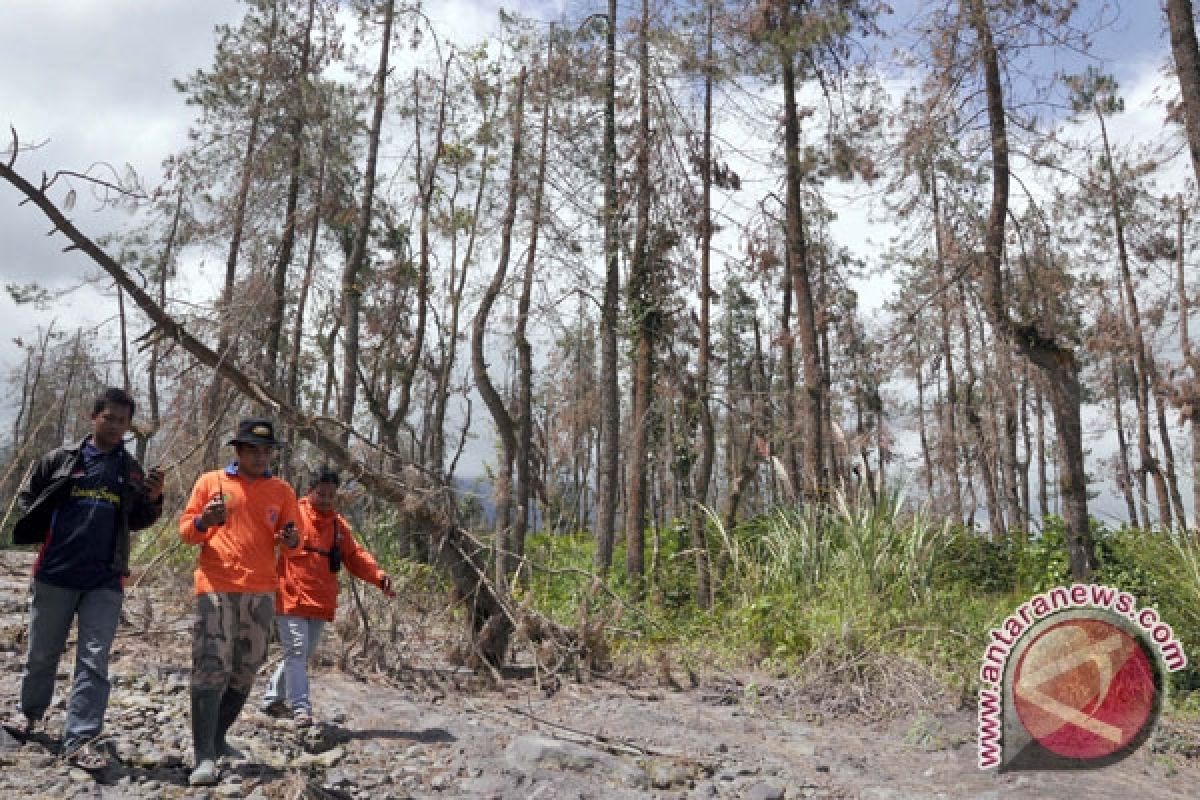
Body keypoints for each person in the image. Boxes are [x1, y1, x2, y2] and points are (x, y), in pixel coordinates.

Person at [3, 387, 164, 772]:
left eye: (122, 421)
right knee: (42, 652)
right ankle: (30, 716)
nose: (114, 426)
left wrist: (154, 499)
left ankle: (81, 737)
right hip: (55, 573)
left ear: (128, 427)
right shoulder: (58, 460)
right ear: (93, 417)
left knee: (94, 660)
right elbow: (29, 500)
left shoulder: (130, 470)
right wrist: (47, 529)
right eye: (108, 417)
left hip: (104, 579)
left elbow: (138, 520)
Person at [179, 417, 300, 787]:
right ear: (239, 450)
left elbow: (293, 544)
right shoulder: (211, 483)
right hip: (216, 586)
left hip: (262, 591)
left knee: (245, 669)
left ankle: (217, 738)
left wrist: (290, 538)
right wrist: (204, 521)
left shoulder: (282, 491)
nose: (261, 456)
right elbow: (186, 533)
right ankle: (204, 757)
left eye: (267, 451)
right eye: (254, 450)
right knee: (210, 666)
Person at [261, 466, 394, 727]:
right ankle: (301, 708)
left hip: (321, 600)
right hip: (291, 595)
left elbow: (355, 557)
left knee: (300, 654)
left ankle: (272, 699)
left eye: (330, 495)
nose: (325, 499)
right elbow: (269, 540)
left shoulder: (338, 526)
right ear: (310, 491)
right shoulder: (292, 514)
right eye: (320, 493)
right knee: (296, 650)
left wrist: (378, 577)